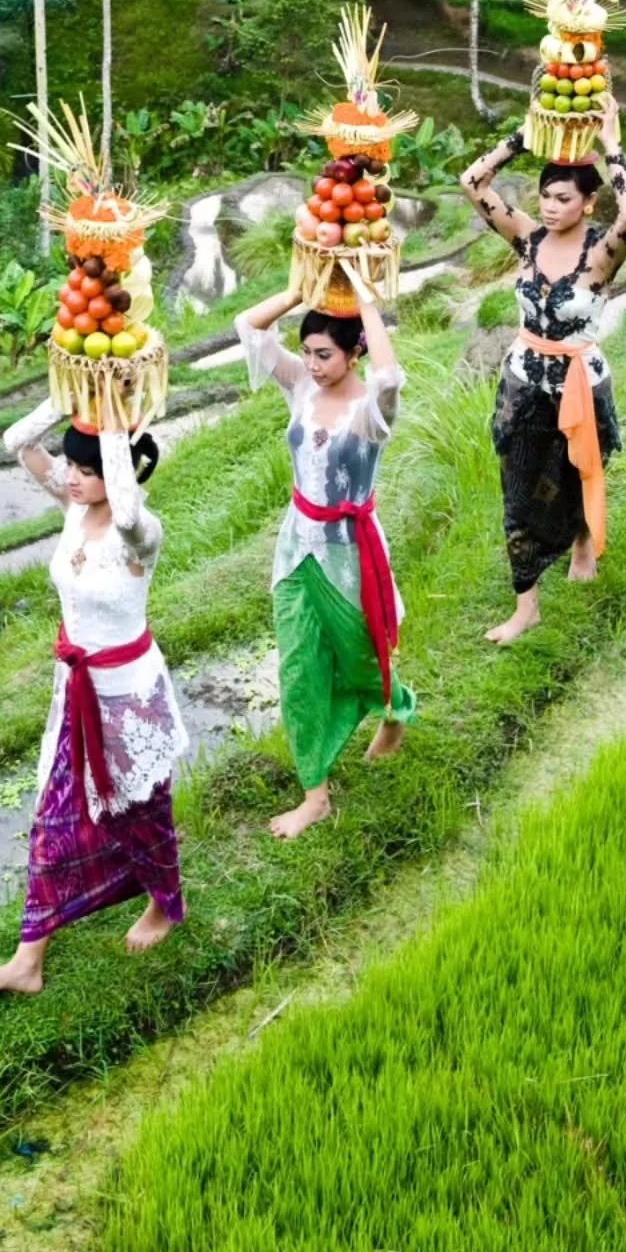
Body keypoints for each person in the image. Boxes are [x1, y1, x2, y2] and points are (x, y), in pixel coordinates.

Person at [0, 399, 188, 997]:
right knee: (52, 822)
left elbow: (129, 507)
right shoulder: (72, 509)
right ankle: (27, 960)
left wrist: (115, 419)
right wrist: (72, 395)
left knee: (143, 813)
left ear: (117, 473)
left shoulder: (141, 533)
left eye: (85, 469)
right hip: (75, 694)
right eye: (71, 467)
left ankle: (164, 903)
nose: (71, 475)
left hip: (128, 695)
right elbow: (15, 439)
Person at [235, 263, 416, 840]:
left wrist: (363, 296)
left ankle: (394, 708)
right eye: (307, 352)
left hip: (350, 554)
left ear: (352, 354)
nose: (312, 364)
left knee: (363, 657)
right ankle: (315, 793)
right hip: (296, 549)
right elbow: (248, 327)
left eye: (324, 355)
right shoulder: (303, 389)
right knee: (298, 669)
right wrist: (295, 289)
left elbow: (390, 378)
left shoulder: (371, 411)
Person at [460, 98, 626, 644]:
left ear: (589, 204)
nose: (549, 206)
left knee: (577, 471)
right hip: (523, 382)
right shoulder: (527, 238)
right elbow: (473, 181)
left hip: (580, 383)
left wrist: (612, 146)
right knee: (517, 489)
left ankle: (582, 538)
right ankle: (526, 605)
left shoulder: (603, 252)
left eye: (563, 198)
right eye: (544, 195)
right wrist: (526, 134)